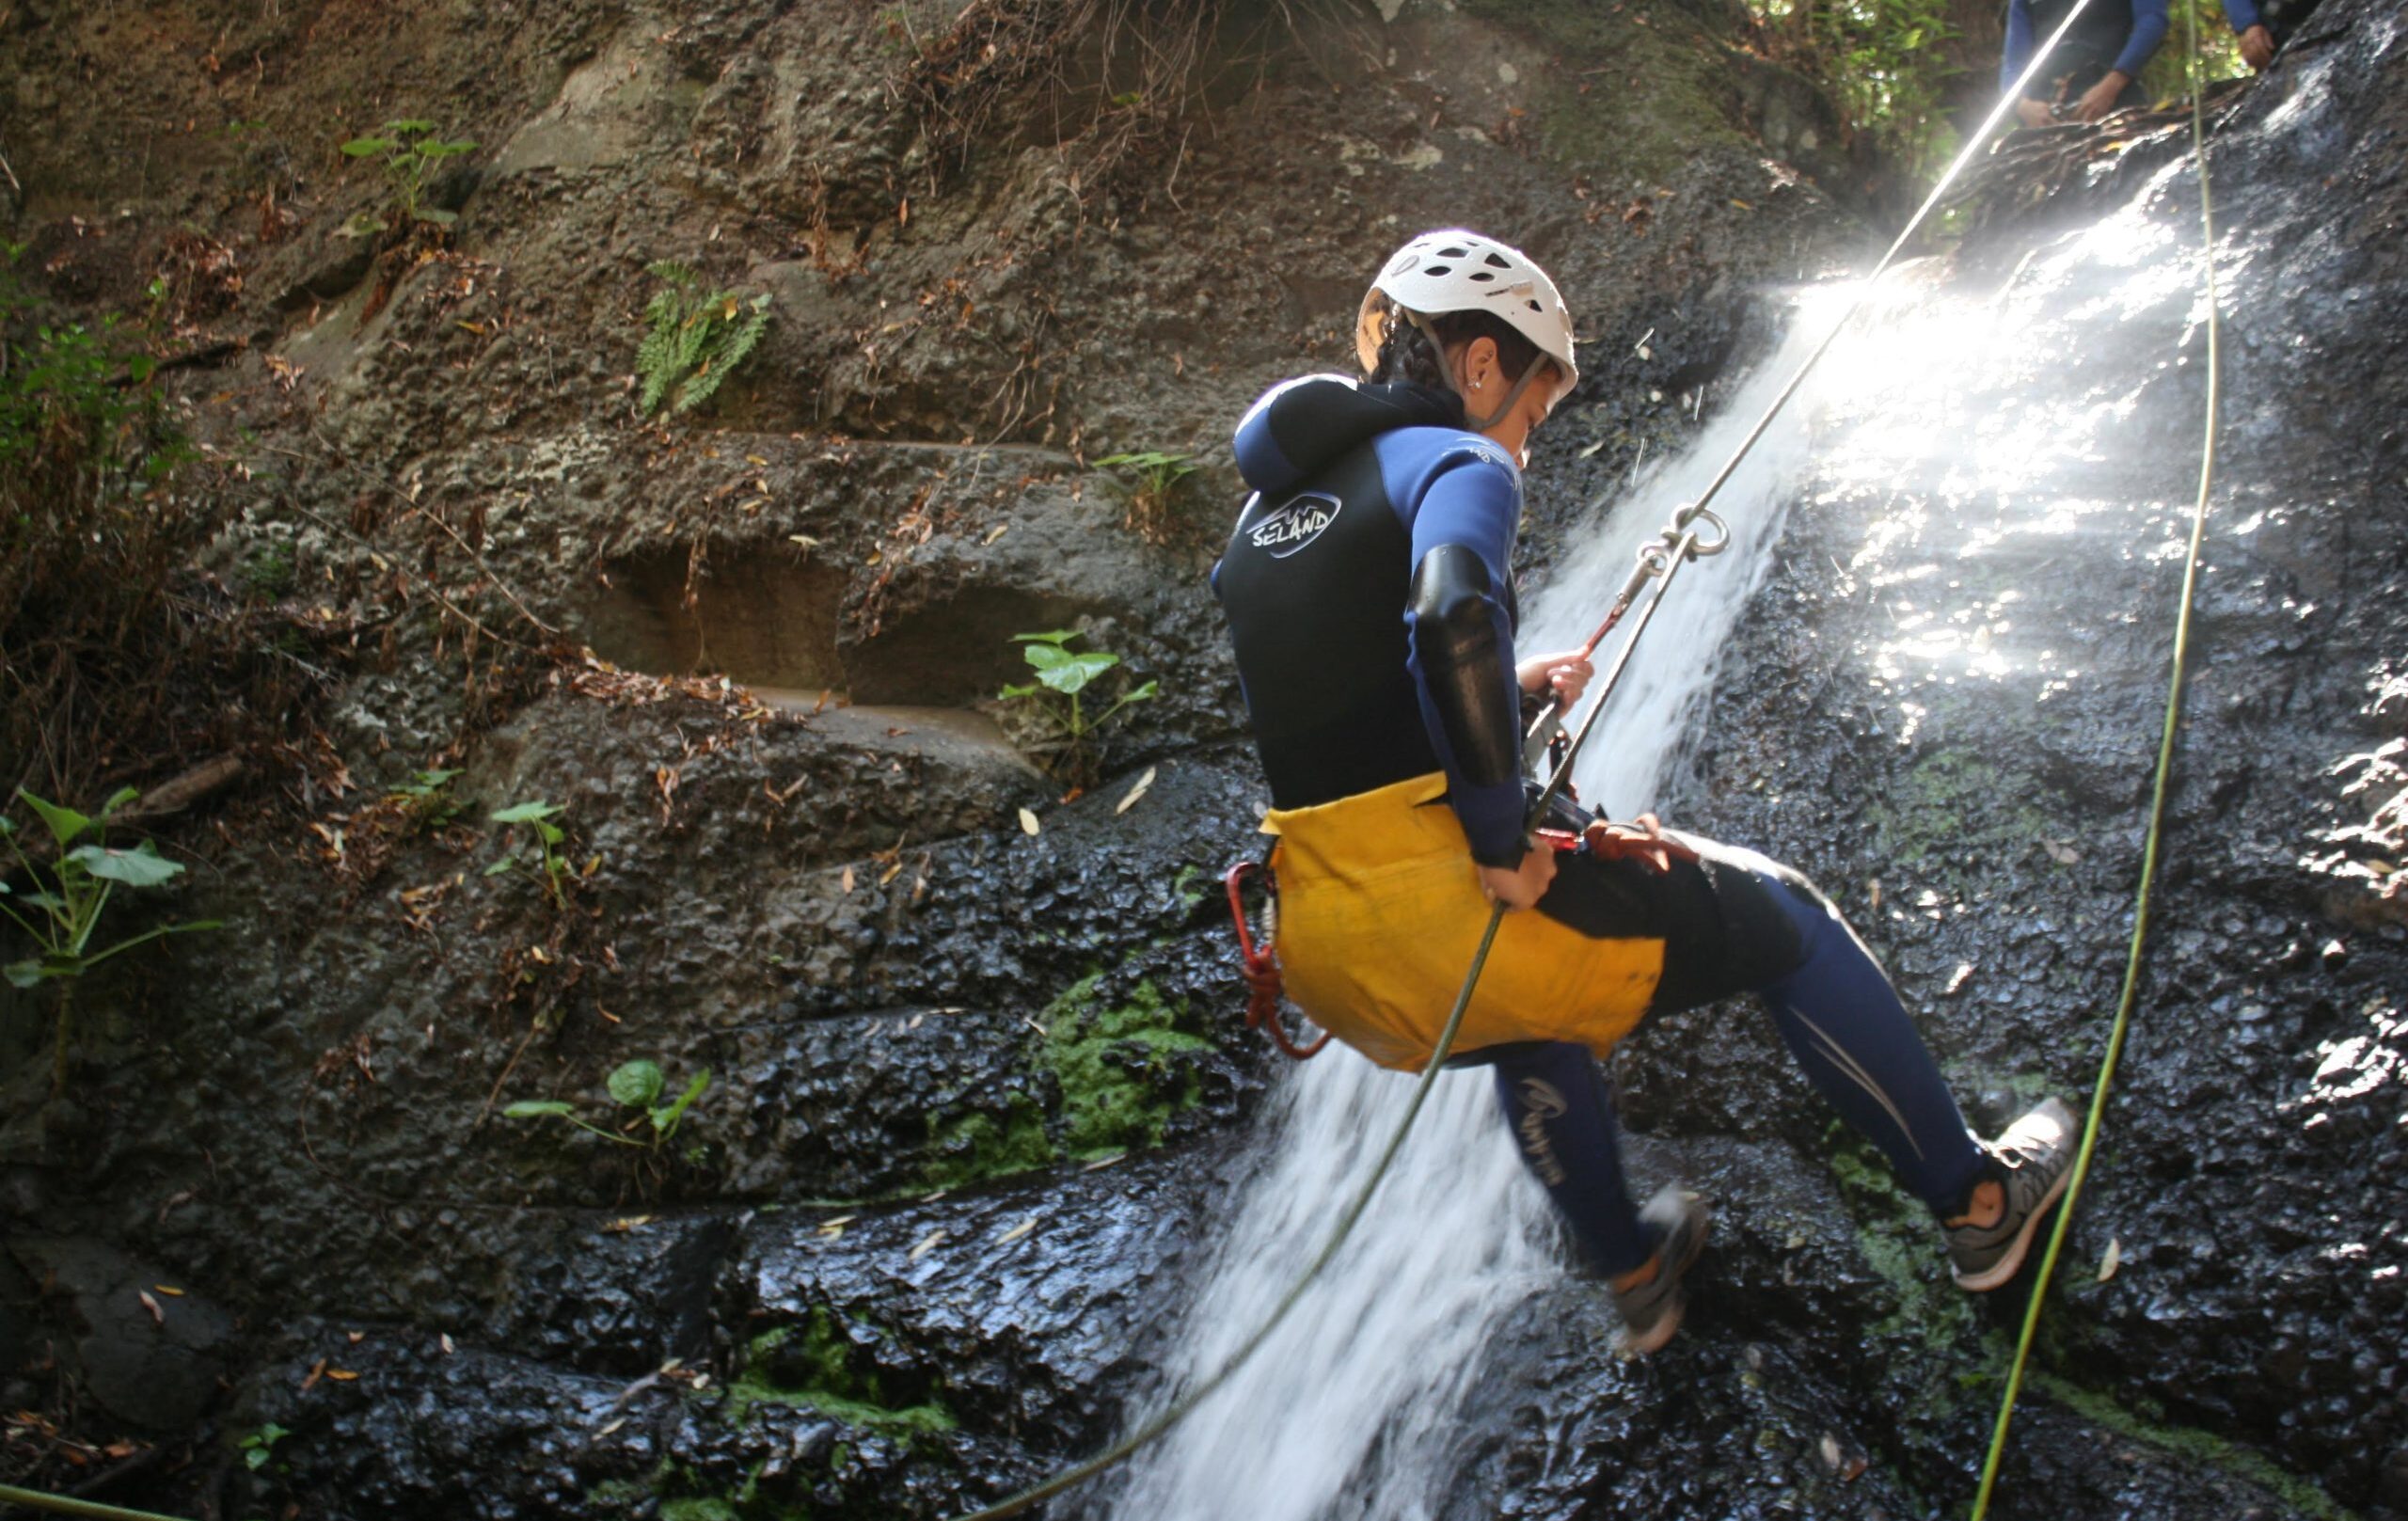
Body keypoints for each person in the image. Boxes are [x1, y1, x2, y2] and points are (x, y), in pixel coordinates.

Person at [1212, 229, 2078, 1354]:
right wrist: (1497, 837)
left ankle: (1636, 1272)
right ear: (1480, 364)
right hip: (1444, 903)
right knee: (1789, 921)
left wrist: (1509, 693)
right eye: (1531, 408)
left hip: (1331, 951)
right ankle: (1977, 1205)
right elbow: (1448, 617)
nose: (1524, 440)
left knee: (1534, 1004)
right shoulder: (1455, 464)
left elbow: (1345, 709)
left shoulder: (1264, 521)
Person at [2001, 0, 2169, 126]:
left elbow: (2152, 20)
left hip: (2114, 100)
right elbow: (2013, 61)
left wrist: (2111, 85)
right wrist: (2021, 105)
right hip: (2044, 112)